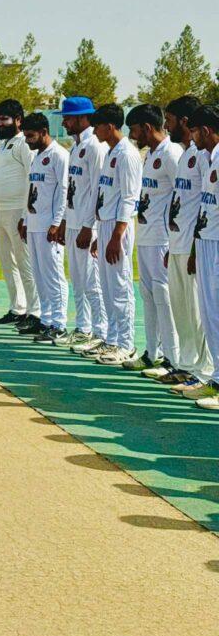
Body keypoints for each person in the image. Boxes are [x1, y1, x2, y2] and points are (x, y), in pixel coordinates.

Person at [123, 104, 182, 376]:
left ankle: (173, 359)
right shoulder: (150, 155)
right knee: (147, 295)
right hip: (146, 237)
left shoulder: (172, 154)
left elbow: (180, 199)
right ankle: (152, 352)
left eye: (135, 130)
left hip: (162, 239)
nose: (133, 136)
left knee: (164, 297)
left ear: (147, 127)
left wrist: (174, 239)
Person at [162, 96, 212, 391]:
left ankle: (202, 370)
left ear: (184, 121)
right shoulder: (184, 154)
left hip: (195, 246)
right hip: (177, 242)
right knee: (181, 308)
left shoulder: (203, 155)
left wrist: (194, 247)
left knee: (197, 311)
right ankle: (187, 364)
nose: (166, 126)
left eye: (169, 120)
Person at [87, 104, 141, 366]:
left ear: (109, 126)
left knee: (120, 286)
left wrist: (116, 236)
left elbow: (130, 198)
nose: (94, 131)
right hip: (107, 225)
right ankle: (112, 338)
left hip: (119, 226)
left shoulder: (128, 154)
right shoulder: (111, 153)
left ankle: (126, 344)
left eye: (97, 126)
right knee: (108, 287)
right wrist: (102, 233)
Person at [55, 96, 107, 355]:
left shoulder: (96, 146)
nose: (64, 122)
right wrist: (65, 221)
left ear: (82, 118)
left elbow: (99, 189)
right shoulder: (76, 147)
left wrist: (90, 226)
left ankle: (101, 332)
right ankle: (83, 327)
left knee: (92, 281)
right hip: (74, 222)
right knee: (78, 279)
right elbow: (72, 190)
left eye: (67, 117)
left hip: (89, 225)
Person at [18, 113, 69, 343]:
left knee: (54, 276)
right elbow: (31, 189)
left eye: (30, 136)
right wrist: (25, 219)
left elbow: (64, 191)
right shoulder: (36, 156)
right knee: (39, 275)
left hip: (50, 226)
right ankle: (46, 319)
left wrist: (57, 223)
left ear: (44, 132)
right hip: (34, 225)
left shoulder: (59, 155)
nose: (27, 140)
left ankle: (59, 324)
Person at [0, 99, 38, 328]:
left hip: (19, 211)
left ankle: (34, 311)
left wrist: (26, 216)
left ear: (18, 120)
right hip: (1, 210)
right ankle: (17, 307)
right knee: (7, 263)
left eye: (4, 119)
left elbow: (32, 178)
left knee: (25, 263)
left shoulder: (23, 144)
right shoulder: (3, 145)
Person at [186, 105, 219, 405]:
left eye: (194, 131)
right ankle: (216, 379)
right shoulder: (210, 158)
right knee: (210, 313)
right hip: (206, 239)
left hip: (218, 241)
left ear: (205, 130)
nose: (192, 137)